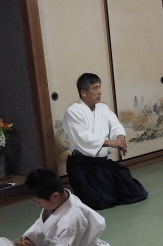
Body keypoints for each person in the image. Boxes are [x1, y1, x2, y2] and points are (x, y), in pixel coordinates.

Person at [62, 72, 148, 210]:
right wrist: (111, 143)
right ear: (83, 92)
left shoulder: (103, 108)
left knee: (136, 192)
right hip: (83, 165)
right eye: (95, 88)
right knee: (101, 201)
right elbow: (83, 137)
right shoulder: (73, 112)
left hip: (101, 163)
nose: (100, 92)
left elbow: (115, 125)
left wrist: (120, 139)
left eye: (100, 87)